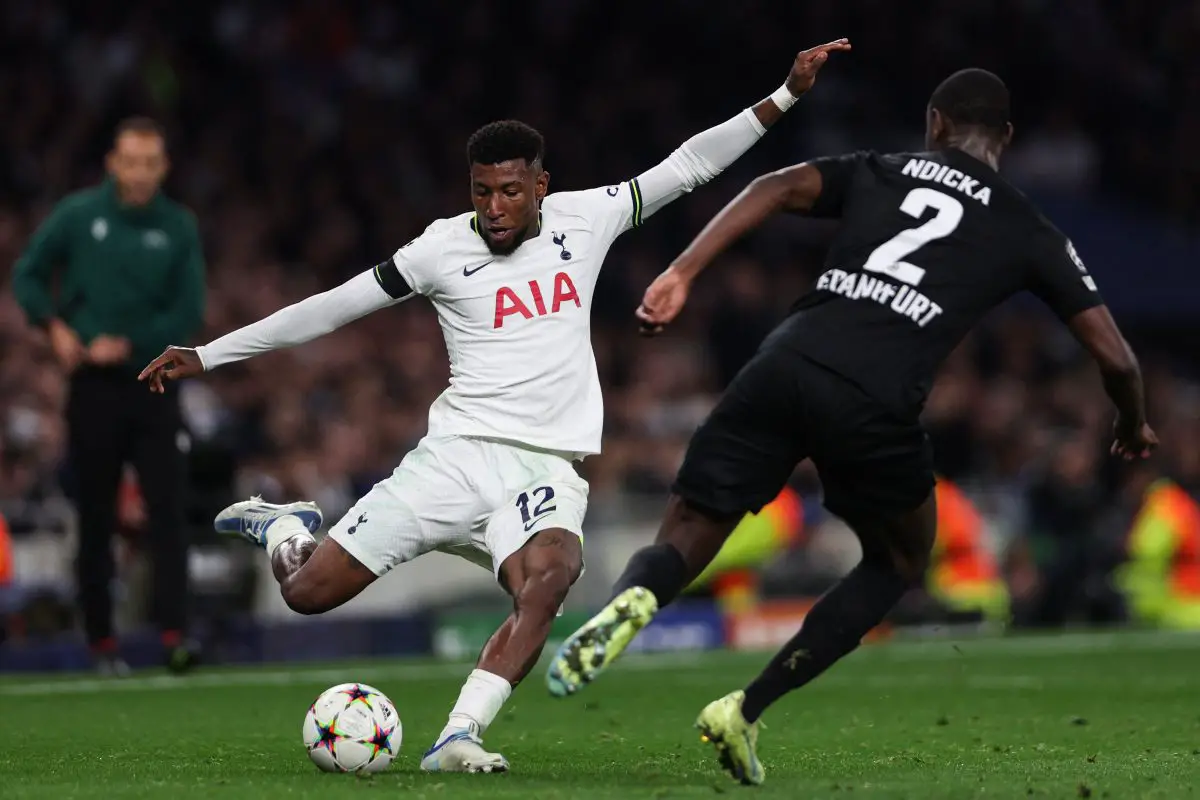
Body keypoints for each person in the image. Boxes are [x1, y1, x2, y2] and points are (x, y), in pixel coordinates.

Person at [137, 40, 851, 774]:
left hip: (542, 466)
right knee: (307, 593)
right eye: (481, 192)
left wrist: (787, 95)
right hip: (454, 457)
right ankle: (285, 527)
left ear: (542, 185)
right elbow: (333, 306)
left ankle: (456, 737)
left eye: (511, 191)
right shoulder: (440, 249)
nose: (495, 208)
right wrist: (209, 353)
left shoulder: (590, 216)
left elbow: (691, 165)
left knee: (552, 576)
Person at [545, 68, 1158, 785]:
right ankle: (745, 708)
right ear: (1008, 140)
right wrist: (1133, 422)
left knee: (692, 519)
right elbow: (1115, 357)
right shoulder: (1029, 228)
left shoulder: (882, 170)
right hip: (875, 398)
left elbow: (771, 187)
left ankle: (637, 597)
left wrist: (682, 271)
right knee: (898, 559)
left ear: (934, 123)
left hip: (786, 360)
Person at [12, 117, 206, 676]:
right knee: (95, 515)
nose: (141, 172)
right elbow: (28, 275)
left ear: (163, 168)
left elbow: (187, 310)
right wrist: (55, 329)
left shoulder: (178, 227)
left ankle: (176, 633)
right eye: (132, 161)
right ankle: (101, 643)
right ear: (112, 164)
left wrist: (130, 345)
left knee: (167, 511)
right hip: (92, 389)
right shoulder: (79, 217)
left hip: (154, 382)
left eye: (151, 163)